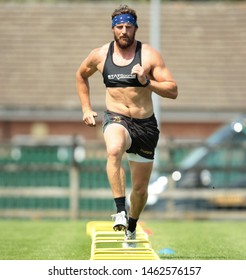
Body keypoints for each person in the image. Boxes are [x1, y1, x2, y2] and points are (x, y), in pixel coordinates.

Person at [76, 4, 178, 247]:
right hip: (116, 117)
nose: (124, 31)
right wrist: (86, 108)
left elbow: (173, 90)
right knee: (114, 149)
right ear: (113, 28)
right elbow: (81, 75)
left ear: (135, 28)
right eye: (119, 27)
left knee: (141, 191)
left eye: (128, 27)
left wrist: (147, 82)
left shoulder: (150, 55)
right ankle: (120, 210)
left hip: (145, 126)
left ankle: (131, 226)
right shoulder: (100, 55)